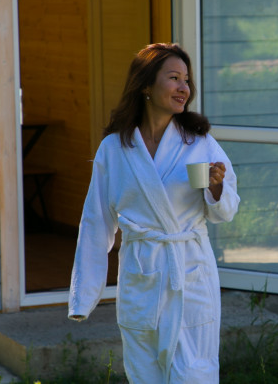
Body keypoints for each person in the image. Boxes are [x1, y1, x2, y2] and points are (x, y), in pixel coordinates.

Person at [68, 43, 240, 383]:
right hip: (142, 274)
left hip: (190, 271)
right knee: (145, 373)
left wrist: (216, 188)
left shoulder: (199, 142)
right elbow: (96, 222)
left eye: (186, 80)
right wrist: (83, 297)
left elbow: (226, 211)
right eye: (173, 78)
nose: (183, 88)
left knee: (194, 374)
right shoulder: (115, 149)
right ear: (146, 84)